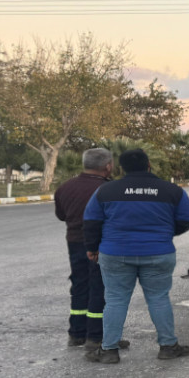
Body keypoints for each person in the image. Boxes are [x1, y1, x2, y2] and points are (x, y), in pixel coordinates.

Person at [82, 148, 189, 364]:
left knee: (115, 300)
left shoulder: (106, 191)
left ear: (121, 168)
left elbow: (91, 222)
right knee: (158, 298)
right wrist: (166, 232)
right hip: (158, 252)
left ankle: (109, 351)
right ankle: (168, 346)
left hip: (115, 253)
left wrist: (92, 247)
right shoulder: (171, 190)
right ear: (148, 165)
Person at [53, 147, 128, 351]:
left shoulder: (65, 187)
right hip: (103, 244)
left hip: (75, 242)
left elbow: (61, 215)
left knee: (79, 285)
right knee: (101, 289)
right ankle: (98, 336)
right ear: (108, 166)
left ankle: (76, 333)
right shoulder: (112, 189)